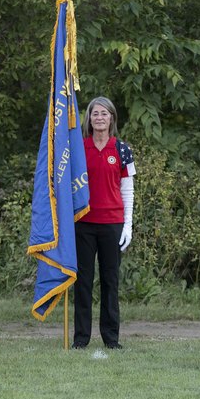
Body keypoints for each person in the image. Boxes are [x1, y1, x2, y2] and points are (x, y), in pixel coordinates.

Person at [72, 96, 135, 350]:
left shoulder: (122, 150)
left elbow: (127, 190)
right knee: (83, 282)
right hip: (84, 224)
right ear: (89, 118)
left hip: (112, 224)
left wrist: (128, 225)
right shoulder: (78, 148)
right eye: (95, 113)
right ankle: (81, 338)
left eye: (104, 114)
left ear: (112, 118)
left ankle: (111, 338)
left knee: (110, 281)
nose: (99, 118)